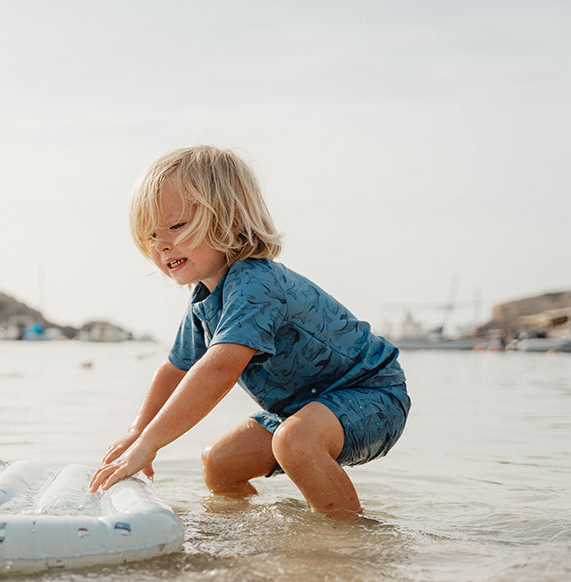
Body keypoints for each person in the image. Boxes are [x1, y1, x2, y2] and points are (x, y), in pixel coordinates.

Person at [88, 146, 410, 514]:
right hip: (301, 409)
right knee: (219, 464)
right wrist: (136, 432)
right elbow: (175, 370)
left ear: (232, 221)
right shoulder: (205, 299)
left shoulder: (255, 283)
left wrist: (150, 443)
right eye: (150, 235)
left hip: (371, 394)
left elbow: (219, 369)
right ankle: (253, 536)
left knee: (295, 441)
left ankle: (346, 545)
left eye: (176, 226)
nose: (161, 244)